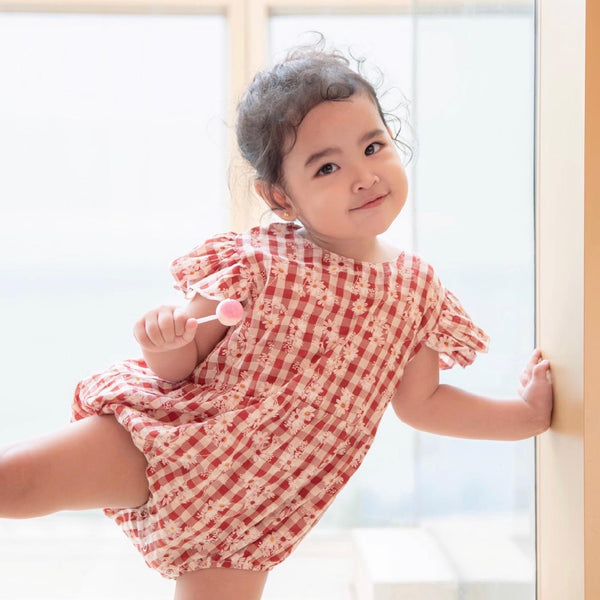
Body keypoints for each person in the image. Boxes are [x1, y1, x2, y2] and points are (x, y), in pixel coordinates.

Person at [0, 44, 553, 600]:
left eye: (373, 146)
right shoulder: (257, 262)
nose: (363, 176)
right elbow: (178, 368)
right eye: (328, 166)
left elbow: (423, 403)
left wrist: (523, 417)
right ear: (280, 197)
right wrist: (163, 342)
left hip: (254, 508)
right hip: (172, 439)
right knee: (14, 484)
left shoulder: (418, 290)